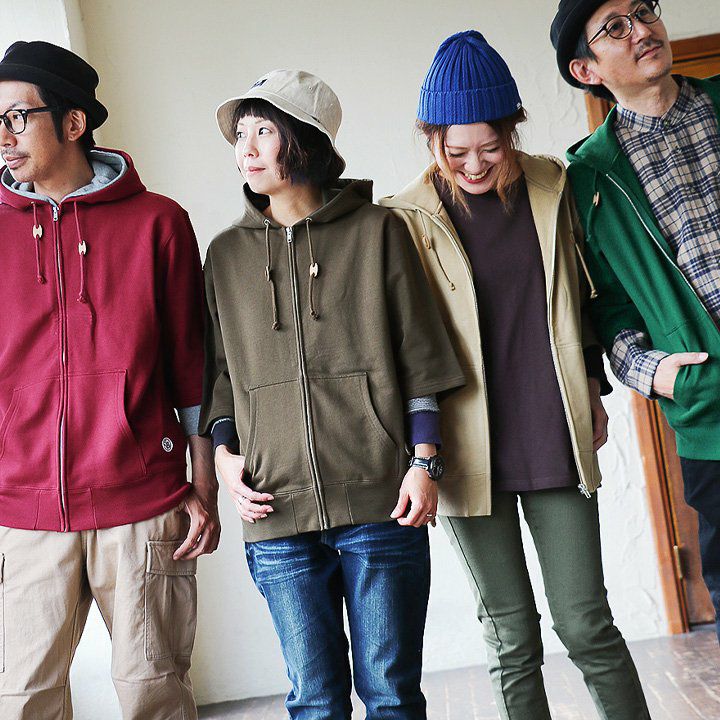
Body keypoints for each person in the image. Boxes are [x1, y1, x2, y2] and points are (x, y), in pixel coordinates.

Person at [381, 30, 650, 720]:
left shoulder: (554, 187)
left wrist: (592, 388)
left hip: (551, 427)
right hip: (463, 446)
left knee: (586, 625)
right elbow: (403, 345)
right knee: (510, 637)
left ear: (512, 131)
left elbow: (582, 298)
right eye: (455, 151)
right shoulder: (403, 219)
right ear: (432, 138)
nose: (473, 164)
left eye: (490, 147)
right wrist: (419, 451)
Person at [200, 69, 464, 720]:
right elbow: (220, 376)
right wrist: (224, 457)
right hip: (275, 511)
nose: (246, 149)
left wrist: (425, 463)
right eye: (241, 134)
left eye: (265, 131)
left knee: (391, 696)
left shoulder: (380, 231)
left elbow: (421, 359)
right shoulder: (227, 255)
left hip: (381, 502)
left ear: (306, 141)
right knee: (315, 702)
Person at [0, 41, 219, 719]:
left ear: (73, 123)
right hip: (24, 510)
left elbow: (191, 366)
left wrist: (202, 479)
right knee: (21, 701)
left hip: (142, 501)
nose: (3, 137)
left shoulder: (158, 222)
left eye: (17, 117)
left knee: (155, 695)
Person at [552, 0, 720, 641]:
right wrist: (660, 374)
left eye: (644, 11)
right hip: (711, 411)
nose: (643, 30)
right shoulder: (589, 181)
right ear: (587, 69)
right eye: (616, 28)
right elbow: (610, 312)